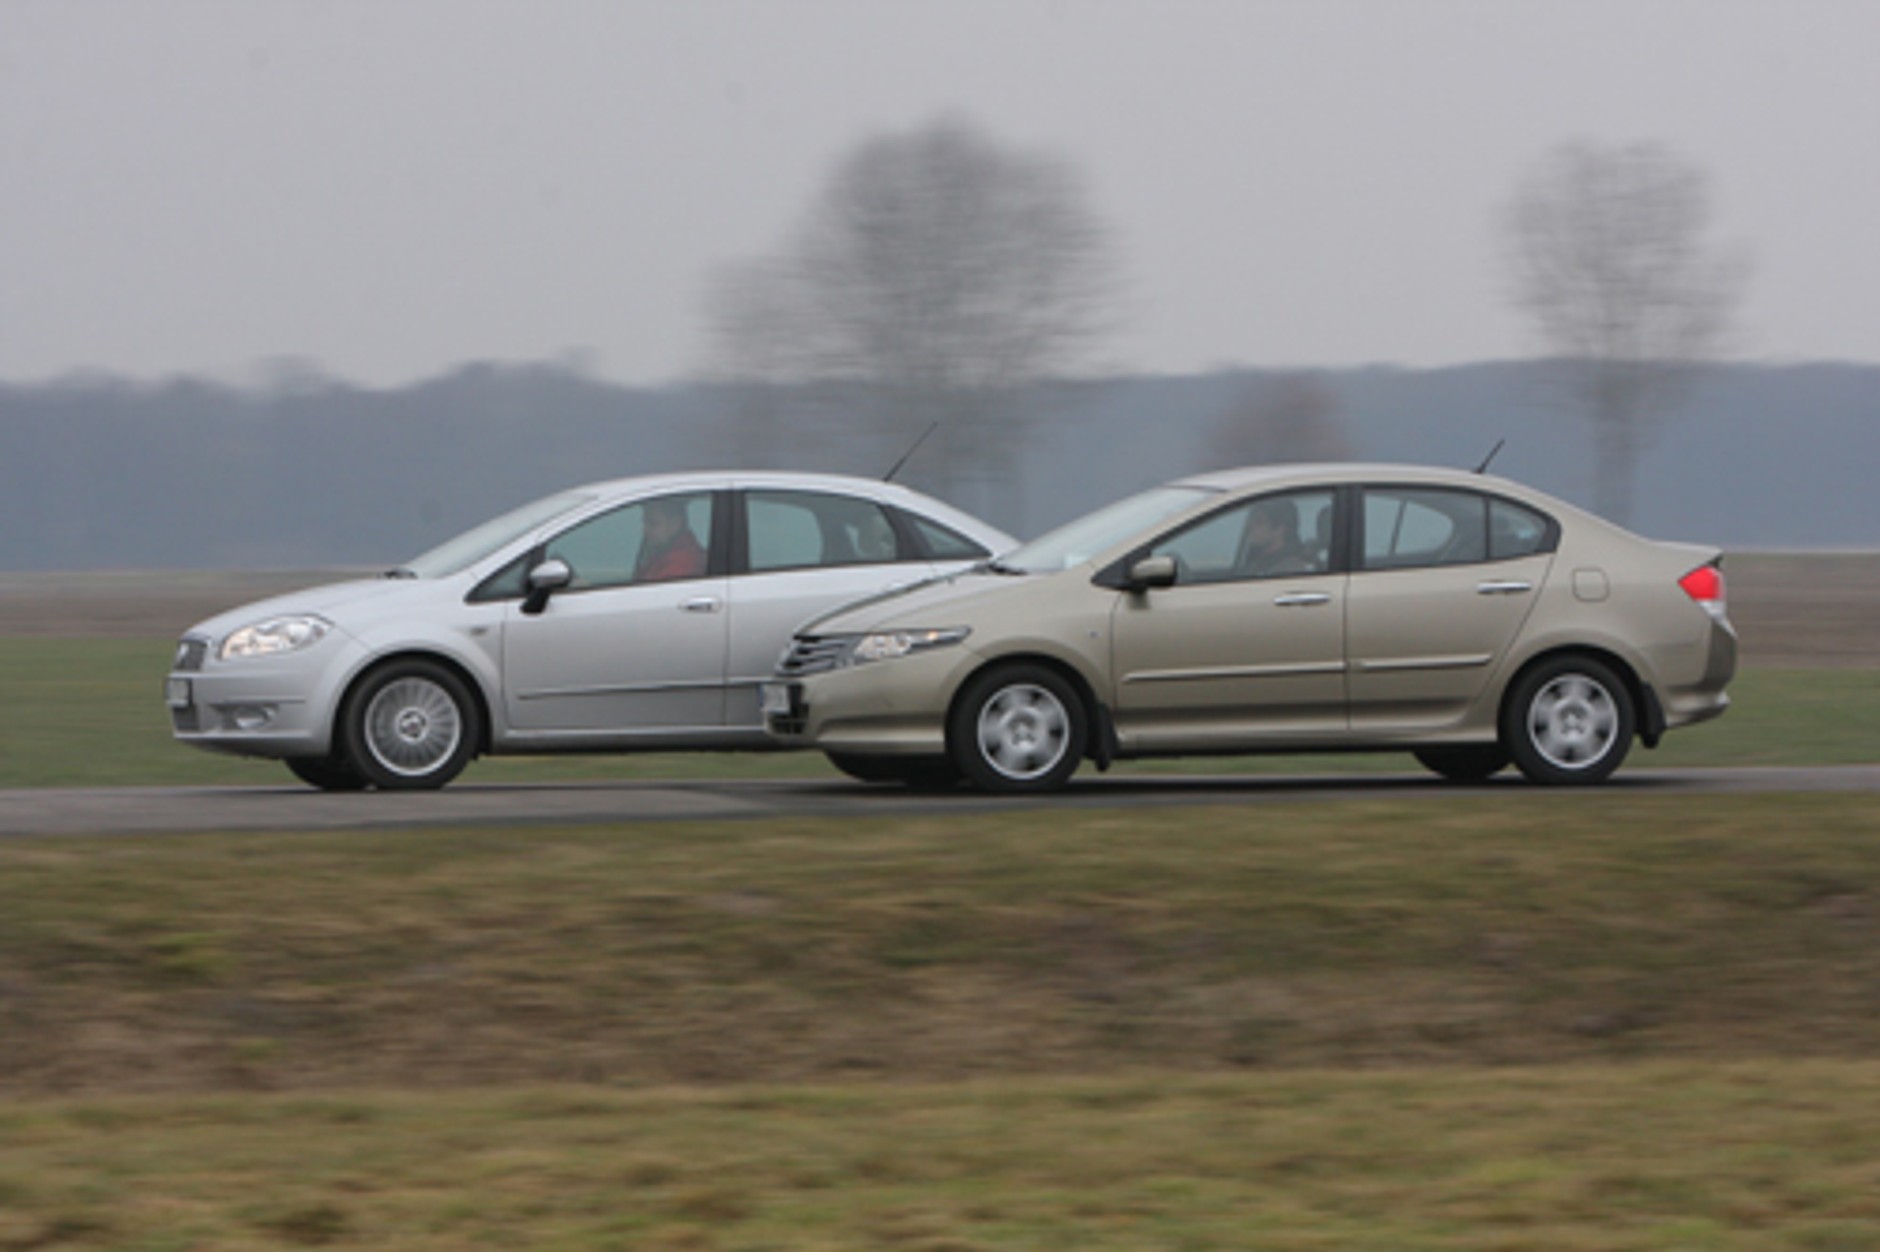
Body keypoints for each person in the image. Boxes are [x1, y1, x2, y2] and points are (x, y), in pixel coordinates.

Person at [634, 497, 706, 582]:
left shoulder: (682, 562)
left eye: (653, 524)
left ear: (675, 524)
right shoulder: (662, 554)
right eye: (645, 522)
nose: (645, 530)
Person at [1237, 497, 1314, 577]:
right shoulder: (1256, 559)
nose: (1251, 527)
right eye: (1250, 521)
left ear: (1280, 529)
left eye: (1259, 522)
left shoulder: (1292, 568)